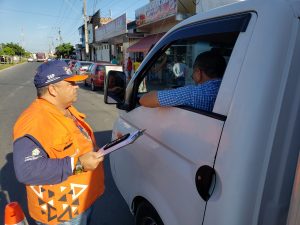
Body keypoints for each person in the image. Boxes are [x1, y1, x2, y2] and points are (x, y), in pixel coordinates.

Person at [13, 60, 105, 225]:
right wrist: (79, 165)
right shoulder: (33, 121)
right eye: (70, 83)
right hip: (62, 212)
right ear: (52, 89)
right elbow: (26, 170)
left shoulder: (66, 109)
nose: (77, 86)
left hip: (82, 200)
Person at [139, 51, 226, 112]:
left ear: (198, 72)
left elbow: (144, 100)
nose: (192, 76)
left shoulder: (192, 93)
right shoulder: (229, 91)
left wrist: (168, 92)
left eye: (194, 71)